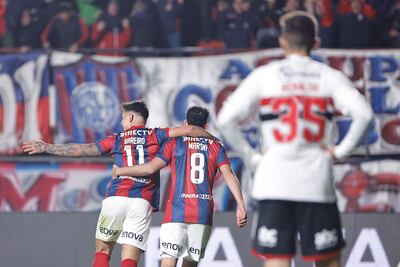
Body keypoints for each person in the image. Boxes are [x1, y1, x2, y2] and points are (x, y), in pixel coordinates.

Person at [217, 11, 373, 267]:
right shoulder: (329, 76)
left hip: (273, 180)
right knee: (327, 260)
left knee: (278, 259)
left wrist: (252, 156)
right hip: (316, 180)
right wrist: (341, 151)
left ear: (282, 42)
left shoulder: (265, 75)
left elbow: (224, 120)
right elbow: (364, 115)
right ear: (316, 43)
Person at [22, 101, 213, 267]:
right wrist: (213, 141)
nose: (121, 122)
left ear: (130, 118)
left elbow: (82, 149)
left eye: (122, 118)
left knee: (103, 251)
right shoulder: (157, 135)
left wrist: (46, 147)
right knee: (129, 259)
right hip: (141, 202)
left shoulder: (116, 139)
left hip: (116, 198)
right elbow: (190, 130)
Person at [113, 106, 247, 267]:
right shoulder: (216, 147)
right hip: (202, 213)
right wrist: (241, 205)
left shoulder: (174, 143)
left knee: (168, 262)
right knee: (190, 264)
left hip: (176, 212)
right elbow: (229, 175)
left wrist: (120, 170)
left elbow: (150, 168)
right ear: (206, 126)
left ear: (185, 123)